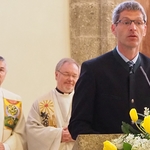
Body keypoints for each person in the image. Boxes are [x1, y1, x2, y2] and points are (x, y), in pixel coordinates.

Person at [68, 1, 150, 140]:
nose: (133, 28)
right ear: (113, 28)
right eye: (126, 22)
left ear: (145, 29)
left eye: (138, 22)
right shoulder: (93, 70)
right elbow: (78, 124)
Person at [26, 58, 80, 150]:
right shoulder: (41, 103)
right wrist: (59, 135)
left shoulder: (83, 101)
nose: (70, 79)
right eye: (66, 74)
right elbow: (32, 131)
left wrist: (77, 133)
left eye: (74, 76)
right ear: (56, 75)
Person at [0, 56, 27, 150]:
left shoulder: (13, 101)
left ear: (5, 73)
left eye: (1, 70)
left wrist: (6, 146)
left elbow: (21, 134)